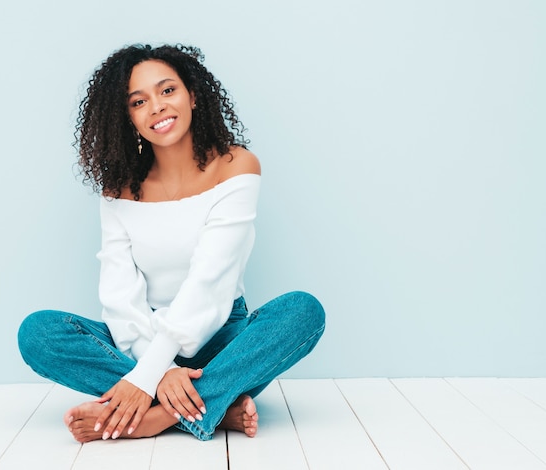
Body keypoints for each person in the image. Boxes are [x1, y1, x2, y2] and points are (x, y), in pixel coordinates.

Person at [17, 43, 325, 443]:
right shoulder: (118, 189)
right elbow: (119, 294)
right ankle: (211, 406)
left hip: (219, 335)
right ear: (126, 117)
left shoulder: (236, 166)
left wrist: (147, 379)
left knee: (303, 312)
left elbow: (210, 281)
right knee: (38, 333)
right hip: (140, 336)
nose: (157, 107)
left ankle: (156, 418)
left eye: (167, 91)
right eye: (138, 101)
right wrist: (157, 370)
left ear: (192, 95)